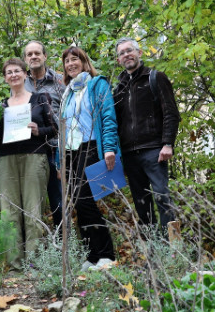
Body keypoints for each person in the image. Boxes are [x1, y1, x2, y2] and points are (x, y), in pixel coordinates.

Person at [59, 46, 120, 268]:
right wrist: (60, 161)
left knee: (86, 200)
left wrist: (110, 148)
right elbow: (62, 128)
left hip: (93, 147)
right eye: (67, 61)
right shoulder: (68, 91)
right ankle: (92, 256)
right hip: (71, 152)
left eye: (75, 59)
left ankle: (106, 254)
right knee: (77, 202)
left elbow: (108, 115)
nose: (70, 64)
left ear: (84, 62)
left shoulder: (97, 84)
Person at [112, 38, 181, 232]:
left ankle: (174, 251)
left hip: (154, 150)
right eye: (122, 53)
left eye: (129, 50)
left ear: (139, 53)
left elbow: (171, 112)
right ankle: (153, 251)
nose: (127, 55)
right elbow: (115, 122)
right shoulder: (119, 88)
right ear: (118, 60)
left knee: (162, 197)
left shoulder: (155, 77)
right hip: (129, 154)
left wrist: (168, 143)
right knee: (142, 204)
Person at [0, 58, 56, 267]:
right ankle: (14, 264)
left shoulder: (40, 99)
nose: (13, 75)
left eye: (17, 71)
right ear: (5, 78)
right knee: (9, 211)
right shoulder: (0, 106)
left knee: (33, 210)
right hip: (6, 160)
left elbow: (55, 128)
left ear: (25, 74)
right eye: (9, 72)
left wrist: (39, 130)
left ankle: (34, 263)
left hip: (35, 156)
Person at [23, 41, 66, 228]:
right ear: (25, 59)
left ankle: (65, 246)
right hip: (30, 151)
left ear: (45, 56)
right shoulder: (19, 82)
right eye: (29, 54)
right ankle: (36, 248)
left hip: (55, 148)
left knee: (58, 199)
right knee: (32, 200)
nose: (33, 57)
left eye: (37, 53)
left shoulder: (60, 81)